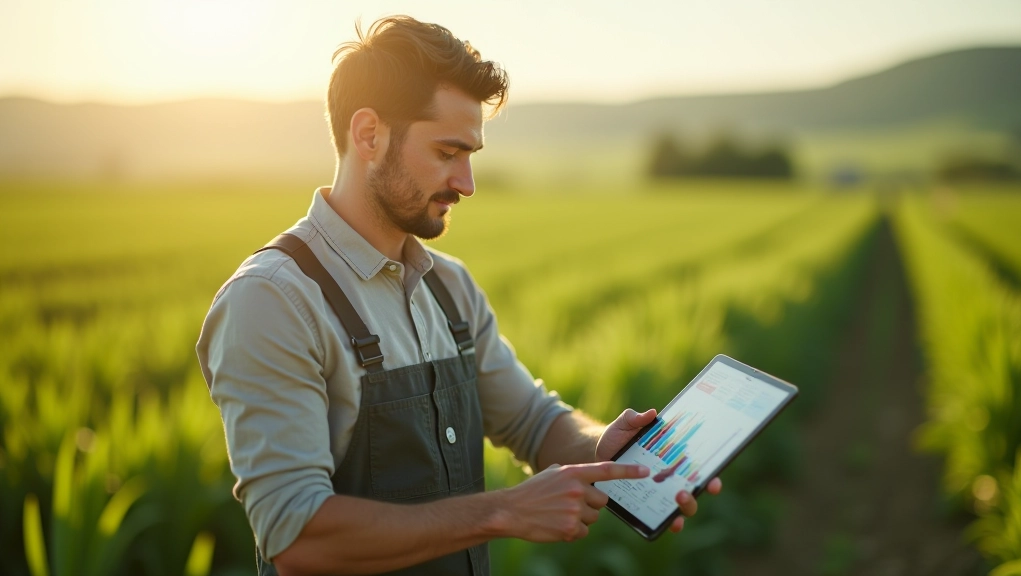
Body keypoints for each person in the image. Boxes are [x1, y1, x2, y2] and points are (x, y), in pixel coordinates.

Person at [196, 15, 721, 576]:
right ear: (368, 134)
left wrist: (607, 451)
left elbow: (534, 421)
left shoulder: (450, 288)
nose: (467, 183)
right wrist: (502, 511)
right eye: (448, 153)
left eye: (471, 154)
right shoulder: (273, 302)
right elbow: (297, 537)